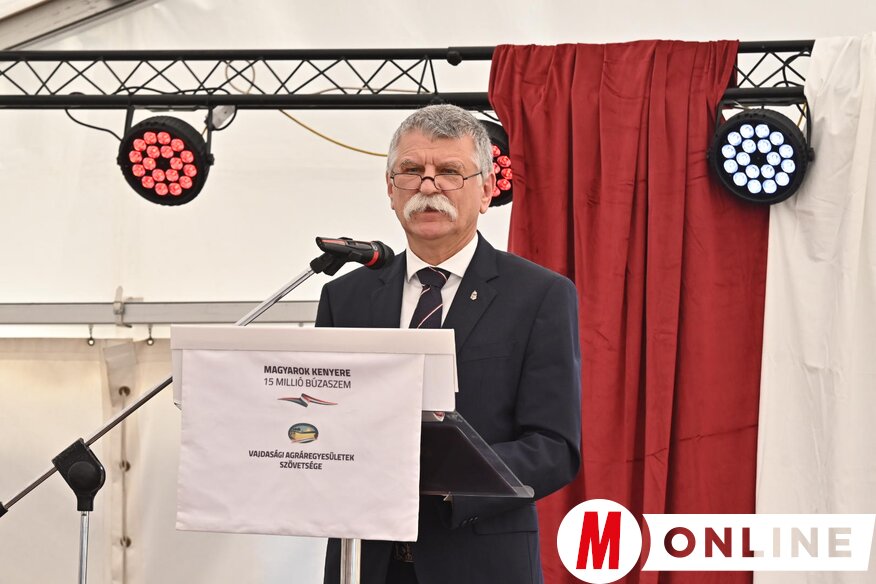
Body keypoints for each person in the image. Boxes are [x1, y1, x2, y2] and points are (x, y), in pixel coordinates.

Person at [317, 104, 581, 584]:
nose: (428, 186)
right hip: (365, 562)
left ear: (487, 190)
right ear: (390, 188)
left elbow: (554, 447)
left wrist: (442, 476)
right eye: (411, 171)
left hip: (481, 563)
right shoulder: (345, 297)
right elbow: (325, 417)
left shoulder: (539, 295)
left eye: (450, 172)